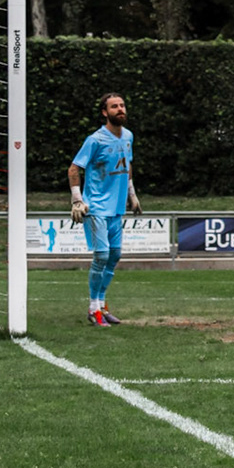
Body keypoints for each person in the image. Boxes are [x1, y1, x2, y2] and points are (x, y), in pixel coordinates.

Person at [69, 91, 141, 326]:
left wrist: (132, 195)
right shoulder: (95, 140)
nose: (120, 109)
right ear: (104, 112)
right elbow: (73, 169)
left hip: (117, 207)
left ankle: (102, 305)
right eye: (114, 107)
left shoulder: (128, 136)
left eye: (122, 105)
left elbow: (127, 164)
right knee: (101, 255)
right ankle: (93, 309)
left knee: (115, 255)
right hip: (96, 207)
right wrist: (77, 200)